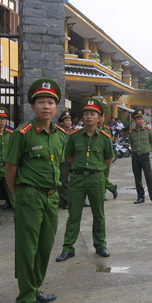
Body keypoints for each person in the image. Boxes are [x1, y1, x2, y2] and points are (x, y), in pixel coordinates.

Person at [6, 79, 68, 303]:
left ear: (56, 107)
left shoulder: (60, 135)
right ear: (33, 106)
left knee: (44, 246)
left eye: (50, 102)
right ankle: (26, 299)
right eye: (41, 101)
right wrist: (18, 198)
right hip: (29, 195)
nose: (46, 106)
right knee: (27, 248)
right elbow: (10, 169)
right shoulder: (23, 134)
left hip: (51, 196)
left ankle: (35, 288)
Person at [56, 98, 115, 262]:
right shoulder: (74, 136)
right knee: (73, 214)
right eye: (86, 113)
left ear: (99, 117)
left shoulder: (104, 137)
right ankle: (68, 248)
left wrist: (97, 170)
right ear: (82, 117)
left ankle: (100, 245)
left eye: (93, 113)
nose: (89, 116)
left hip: (96, 178)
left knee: (99, 214)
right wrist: (79, 168)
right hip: (77, 179)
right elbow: (68, 157)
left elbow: (108, 159)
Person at [128, 109, 152, 205]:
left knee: (149, 177)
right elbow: (131, 143)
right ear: (135, 121)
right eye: (138, 119)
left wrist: (147, 150)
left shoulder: (149, 131)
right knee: (137, 178)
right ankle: (140, 197)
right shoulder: (132, 132)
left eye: (142, 119)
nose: (140, 121)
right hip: (135, 157)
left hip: (145, 157)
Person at [57, 110, 73, 209]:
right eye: (66, 120)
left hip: (73, 160)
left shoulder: (73, 134)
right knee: (63, 182)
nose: (69, 122)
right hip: (63, 161)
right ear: (62, 123)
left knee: (76, 181)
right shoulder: (59, 134)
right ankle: (65, 201)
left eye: (70, 120)